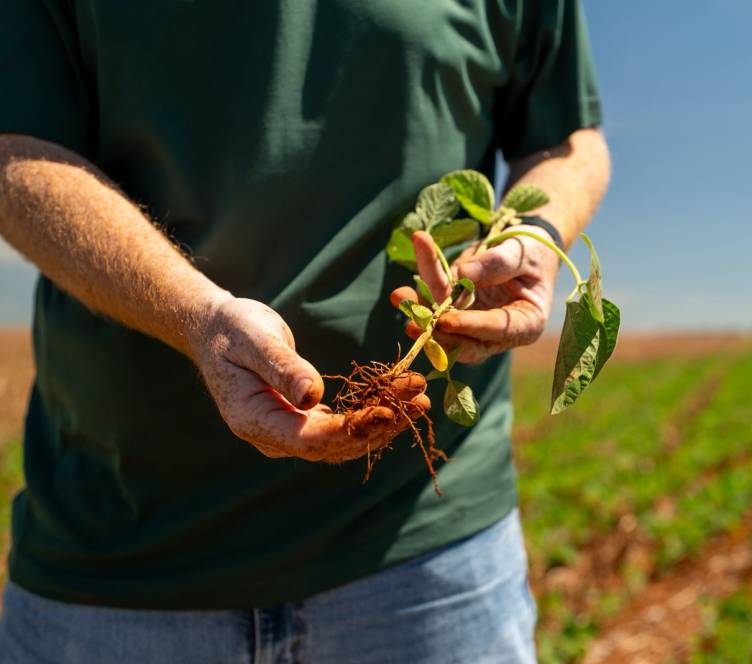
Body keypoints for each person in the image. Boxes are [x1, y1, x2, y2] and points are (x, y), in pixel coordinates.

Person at [0, 0, 610, 662]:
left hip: (428, 555)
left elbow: (568, 139)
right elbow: (16, 148)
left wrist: (537, 234)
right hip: (123, 555)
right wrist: (193, 314)